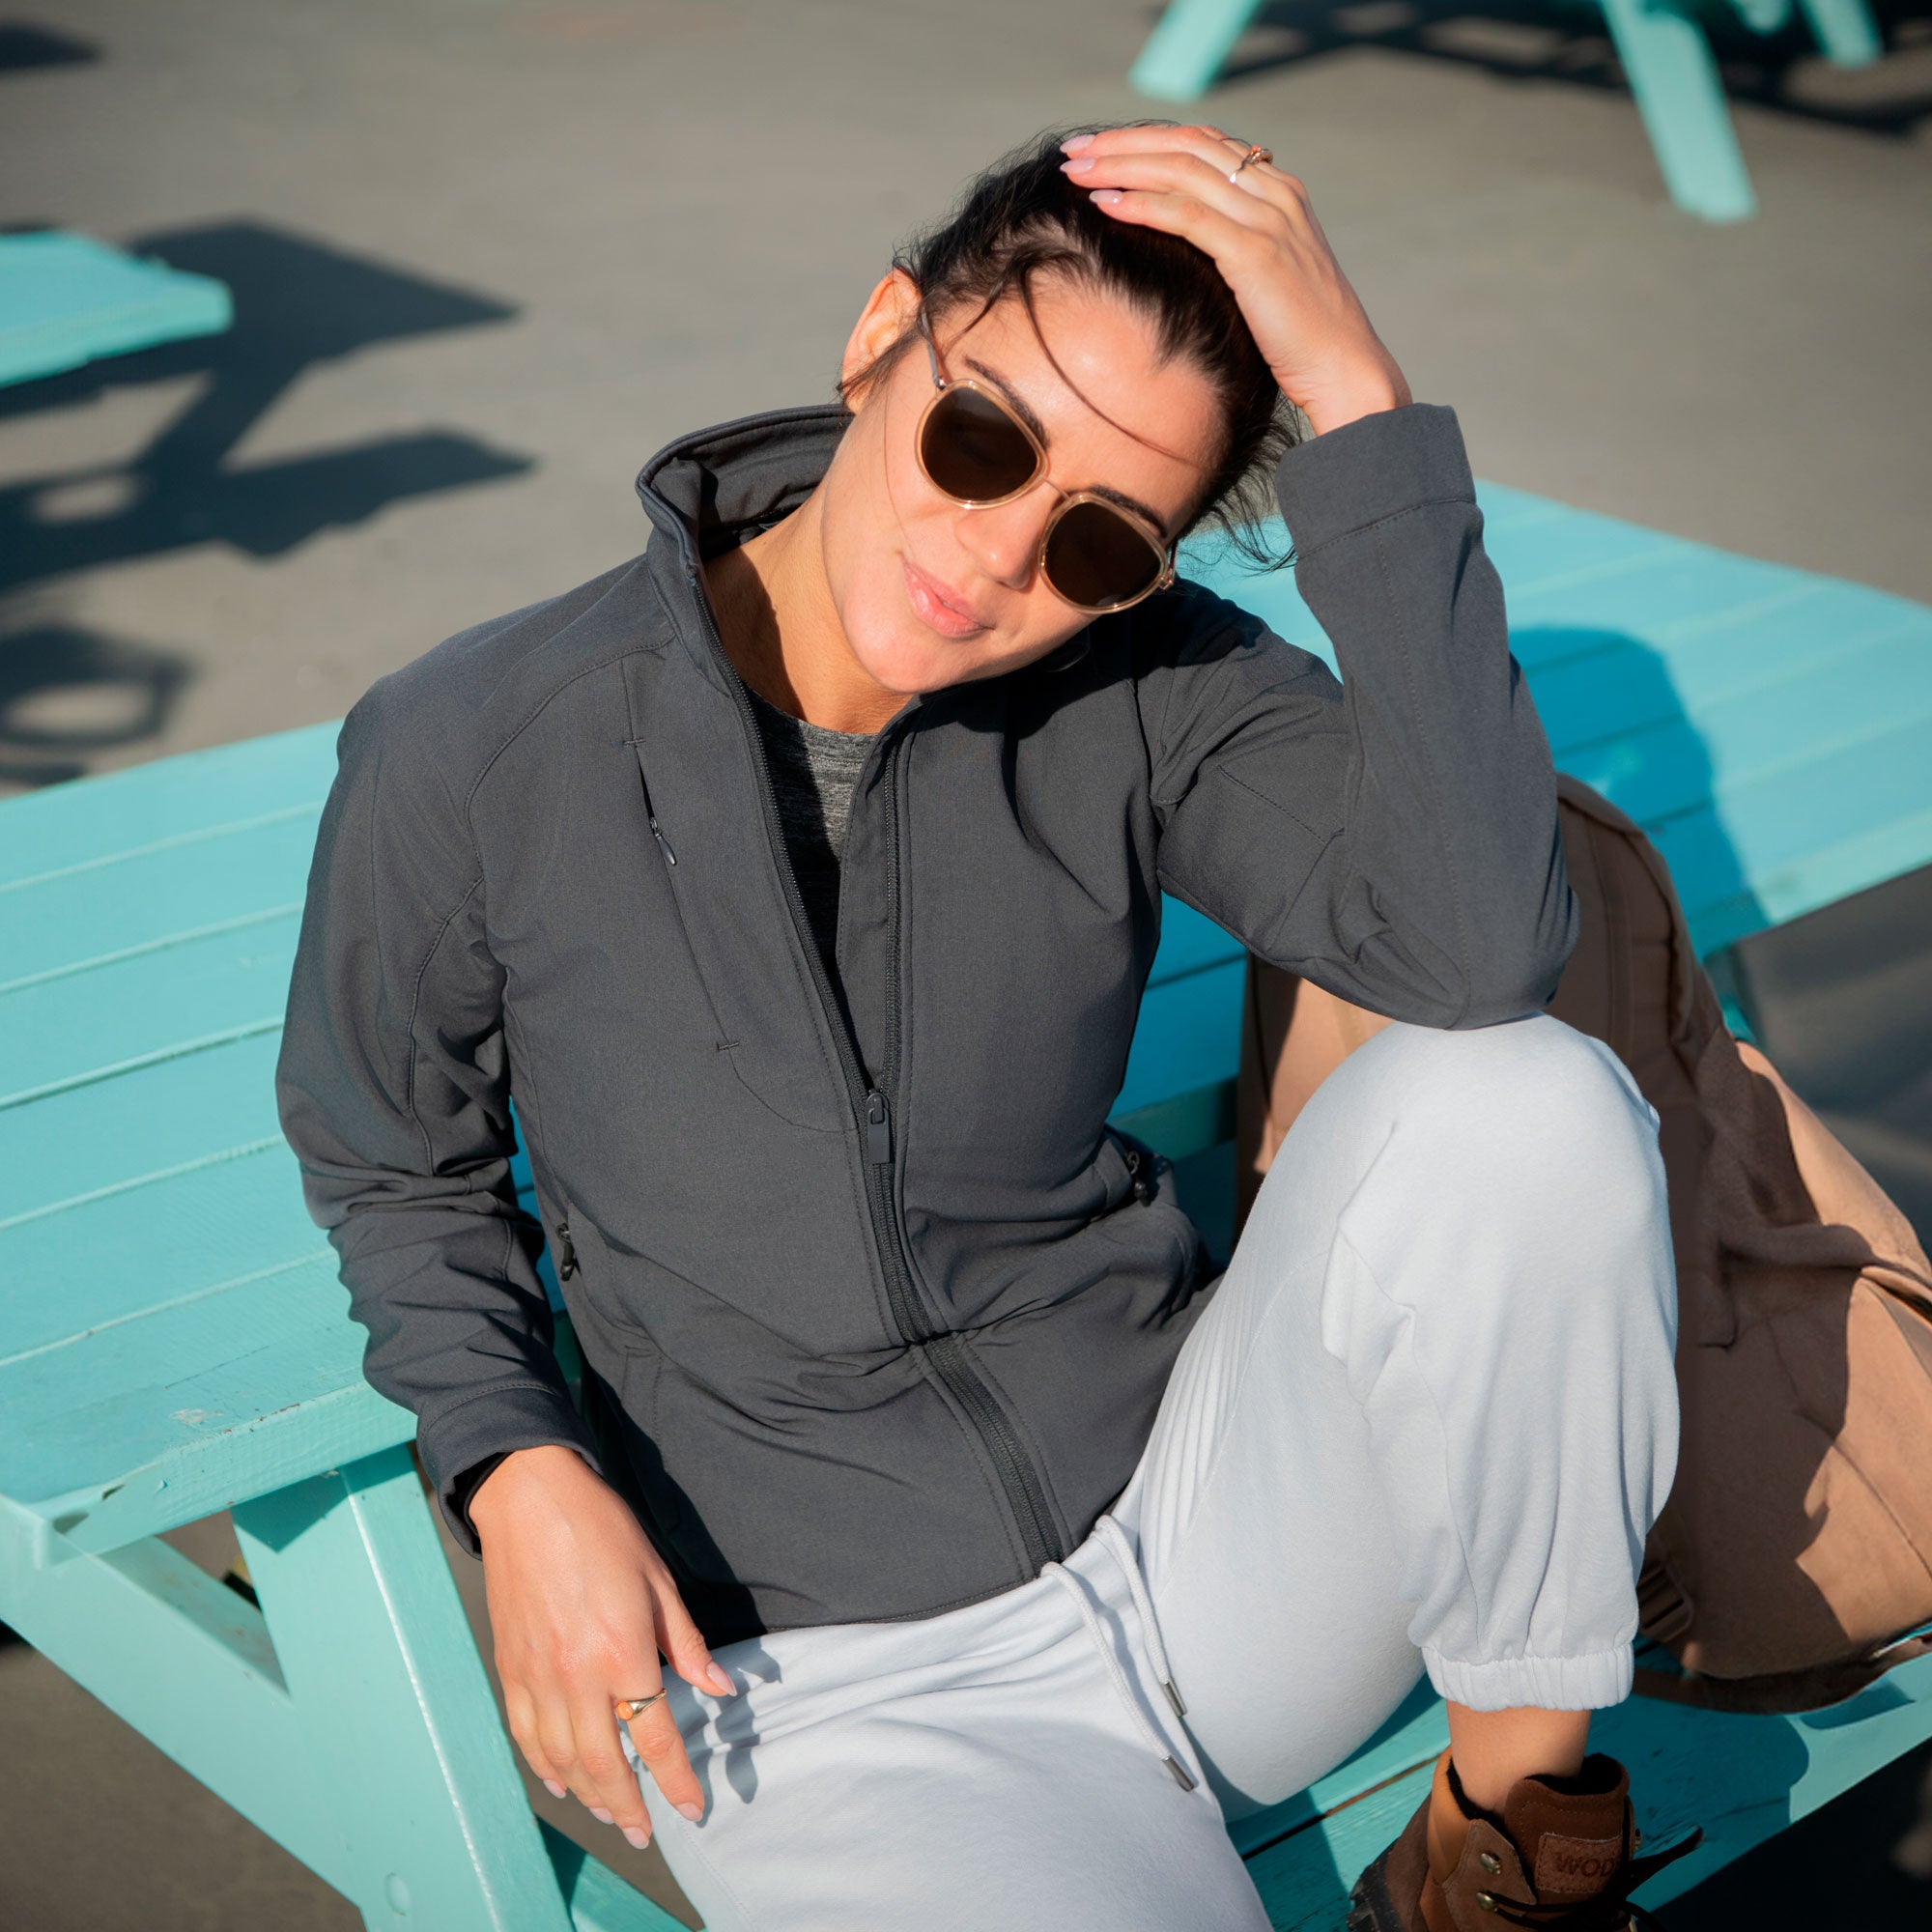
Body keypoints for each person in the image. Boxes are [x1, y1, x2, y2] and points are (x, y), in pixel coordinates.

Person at [275, 123, 1697, 1930]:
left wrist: (1360, 405)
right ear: (882, 337)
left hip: (1209, 1543)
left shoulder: (1146, 679)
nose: (1002, 552)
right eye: (982, 439)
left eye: (1101, 537)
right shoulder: (481, 741)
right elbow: (392, 1161)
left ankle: (1501, 1851)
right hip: (824, 1684)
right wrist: (517, 1467)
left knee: (1531, 1100)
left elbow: (1479, 947)